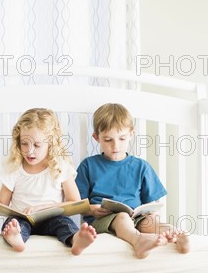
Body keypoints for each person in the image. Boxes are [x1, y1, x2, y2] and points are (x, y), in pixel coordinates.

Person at [0, 108, 97, 255]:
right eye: (24, 143)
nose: (29, 151)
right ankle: (16, 238)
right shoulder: (14, 168)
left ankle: (76, 240)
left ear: (50, 144)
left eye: (37, 145)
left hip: (52, 218)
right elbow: (2, 203)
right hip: (22, 218)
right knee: (13, 223)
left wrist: (43, 208)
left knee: (64, 223)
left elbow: (75, 202)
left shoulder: (60, 167)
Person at [76, 103, 190, 259]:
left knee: (151, 220)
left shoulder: (141, 166)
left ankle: (176, 234)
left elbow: (152, 203)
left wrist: (153, 215)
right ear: (96, 137)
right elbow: (77, 204)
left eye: (122, 138)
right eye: (108, 139)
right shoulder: (88, 165)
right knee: (122, 217)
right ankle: (138, 241)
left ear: (131, 134)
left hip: (136, 216)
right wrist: (92, 209)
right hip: (104, 219)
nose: (115, 146)